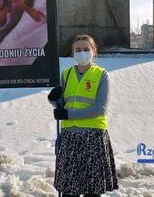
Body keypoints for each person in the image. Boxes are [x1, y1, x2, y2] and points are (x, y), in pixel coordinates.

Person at [47, 34, 118, 197]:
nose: (82, 52)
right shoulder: (66, 74)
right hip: (69, 138)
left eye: (86, 49)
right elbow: (62, 105)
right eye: (78, 49)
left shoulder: (101, 75)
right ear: (72, 53)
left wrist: (68, 114)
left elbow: (100, 108)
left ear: (94, 51)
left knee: (92, 192)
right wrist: (53, 100)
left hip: (93, 138)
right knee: (69, 192)